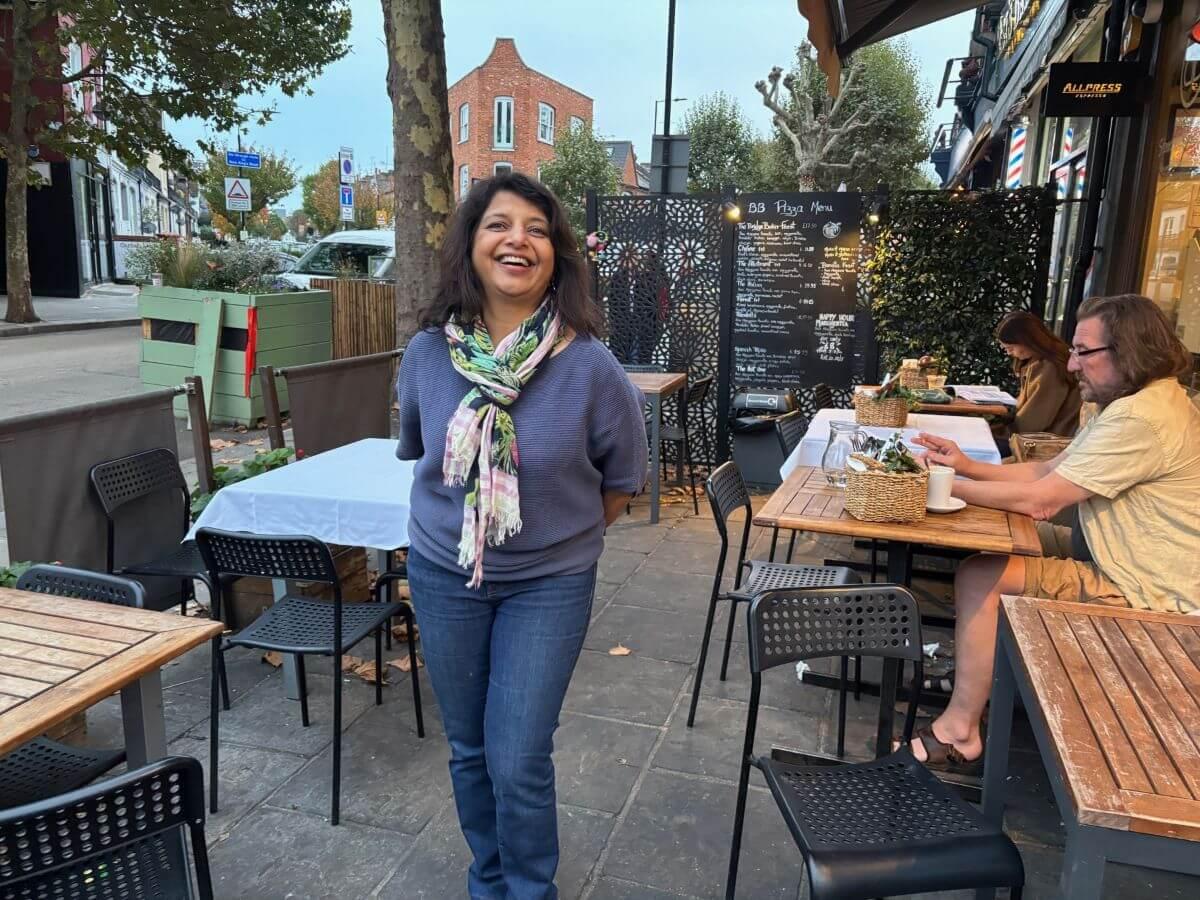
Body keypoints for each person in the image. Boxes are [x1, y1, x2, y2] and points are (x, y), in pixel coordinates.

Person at [395, 172, 649, 899]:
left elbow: (622, 481)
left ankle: (529, 891)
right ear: (472, 246)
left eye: (536, 228)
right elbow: (422, 455)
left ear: (556, 254)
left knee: (517, 758)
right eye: (499, 225)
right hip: (445, 576)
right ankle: (490, 879)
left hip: (549, 586)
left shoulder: (591, 367)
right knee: (469, 751)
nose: (518, 239)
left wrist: (549, 543)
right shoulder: (427, 356)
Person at [908, 294, 1200, 766]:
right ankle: (978, 670)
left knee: (981, 575)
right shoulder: (1134, 402)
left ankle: (962, 728)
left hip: (1147, 589)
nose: (1071, 363)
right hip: (1115, 552)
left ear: (1128, 352)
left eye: (1084, 352)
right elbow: (1044, 473)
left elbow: (1040, 502)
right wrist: (961, 467)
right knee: (989, 547)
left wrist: (935, 485)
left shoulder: (1142, 417)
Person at [995, 309, 1082, 437]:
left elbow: (1034, 420)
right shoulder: (1041, 361)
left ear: (1026, 340)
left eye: (1011, 348)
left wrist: (1000, 432)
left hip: (1046, 440)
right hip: (1038, 435)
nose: (1009, 353)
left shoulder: (1050, 367)